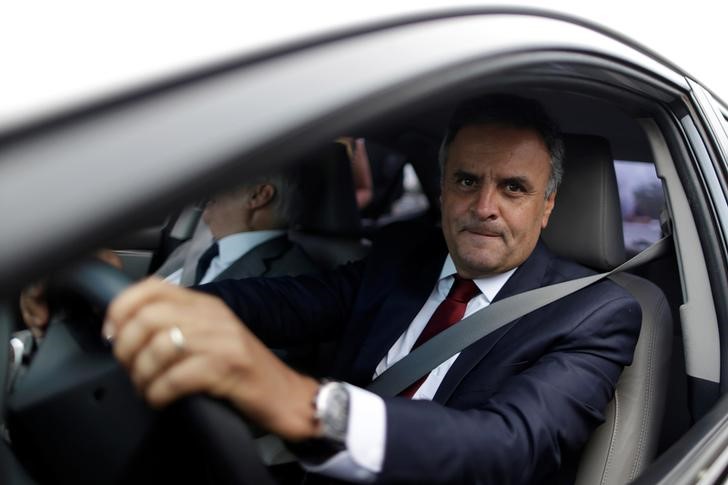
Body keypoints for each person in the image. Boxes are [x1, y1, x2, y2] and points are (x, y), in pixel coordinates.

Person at [103, 94, 641, 484]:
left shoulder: (594, 311)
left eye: (514, 188)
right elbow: (288, 303)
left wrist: (309, 406)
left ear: (546, 206)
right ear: (443, 186)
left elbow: (510, 447)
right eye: (467, 180)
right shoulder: (403, 255)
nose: (483, 208)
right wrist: (153, 304)